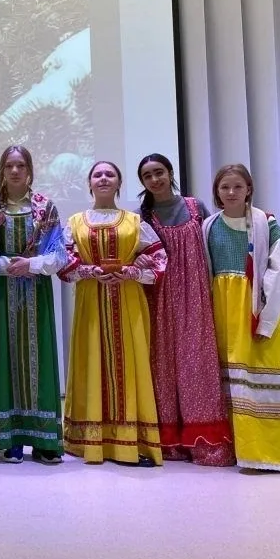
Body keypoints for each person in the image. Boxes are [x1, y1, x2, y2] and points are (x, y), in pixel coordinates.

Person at [59, 160, 165, 467]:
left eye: (110, 174)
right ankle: (90, 441)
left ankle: (131, 443)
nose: (103, 178)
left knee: (130, 365)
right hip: (90, 304)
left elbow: (159, 259)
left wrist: (132, 271)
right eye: (97, 174)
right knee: (90, 361)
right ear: (89, 183)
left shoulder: (133, 222)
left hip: (129, 302)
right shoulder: (75, 222)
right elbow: (64, 264)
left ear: (119, 183)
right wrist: (90, 271)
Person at [0, 146, 67, 465]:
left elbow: (59, 254)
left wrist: (32, 265)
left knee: (41, 363)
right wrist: (7, 266)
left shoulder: (45, 207)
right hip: (6, 297)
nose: (15, 171)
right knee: (8, 358)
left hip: (37, 295)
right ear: (2, 170)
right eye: (9, 166)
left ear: (30, 170)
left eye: (21, 165)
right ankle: (11, 438)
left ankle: (44, 440)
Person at [136, 153, 234, 466]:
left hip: (196, 296)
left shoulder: (196, 207)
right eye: (147, 176)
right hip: (158, 298)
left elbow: (215, 245)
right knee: (162, 366)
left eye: (159, 172)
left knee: (197, 365)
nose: (155, 179)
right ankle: (169, 443)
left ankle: (204, 443)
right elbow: (137, 257)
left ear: (170, 172)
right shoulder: (141, 216)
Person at [203, 163, 280, 472]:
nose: (231, 192)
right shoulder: (208, 226)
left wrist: (266, 320)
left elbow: (277, 271)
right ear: (217, 192)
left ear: (249, 190)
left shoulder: (264, 223)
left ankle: (271, 454)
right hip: (223, 310)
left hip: (255, 308)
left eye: (238, 186)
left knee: (258, 377)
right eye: (224, 187)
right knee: (233, 383)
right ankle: (238, 450)